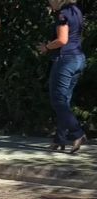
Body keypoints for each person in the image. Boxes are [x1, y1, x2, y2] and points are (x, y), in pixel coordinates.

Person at [37, 0, 87, 154]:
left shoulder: (63, 14)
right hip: (78, 59)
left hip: (65, 60)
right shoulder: (76, 11)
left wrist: (46, 47)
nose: (48, 3)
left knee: (57, 100)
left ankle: (77, 133)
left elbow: (62, 40)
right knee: (64, 101)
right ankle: (60, 139)